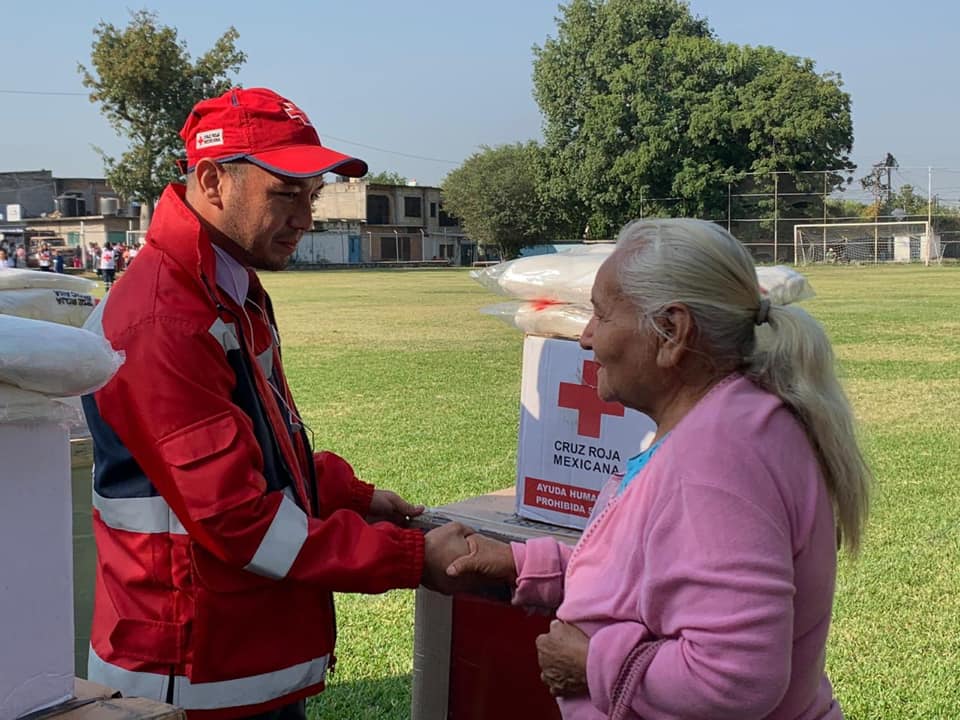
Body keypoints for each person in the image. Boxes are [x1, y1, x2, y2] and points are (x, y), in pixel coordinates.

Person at [80, 86, 467, 719]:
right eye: (285, 194)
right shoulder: (166, 318)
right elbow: (240, 518)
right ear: (212, 180)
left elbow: (260, 448)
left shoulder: (227, 286)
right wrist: (414, 557)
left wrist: (351, 493)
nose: (305, 219)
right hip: (190, 667)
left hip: (234, 650)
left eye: (310, 197)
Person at [446, 218, 871, 720]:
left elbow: (734, 679)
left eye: (601, 316)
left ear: (671, 332)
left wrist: (591, 665)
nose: (584, 339)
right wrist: (527, 566)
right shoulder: (732, 420)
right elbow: (648, 577)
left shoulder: (717, 461)